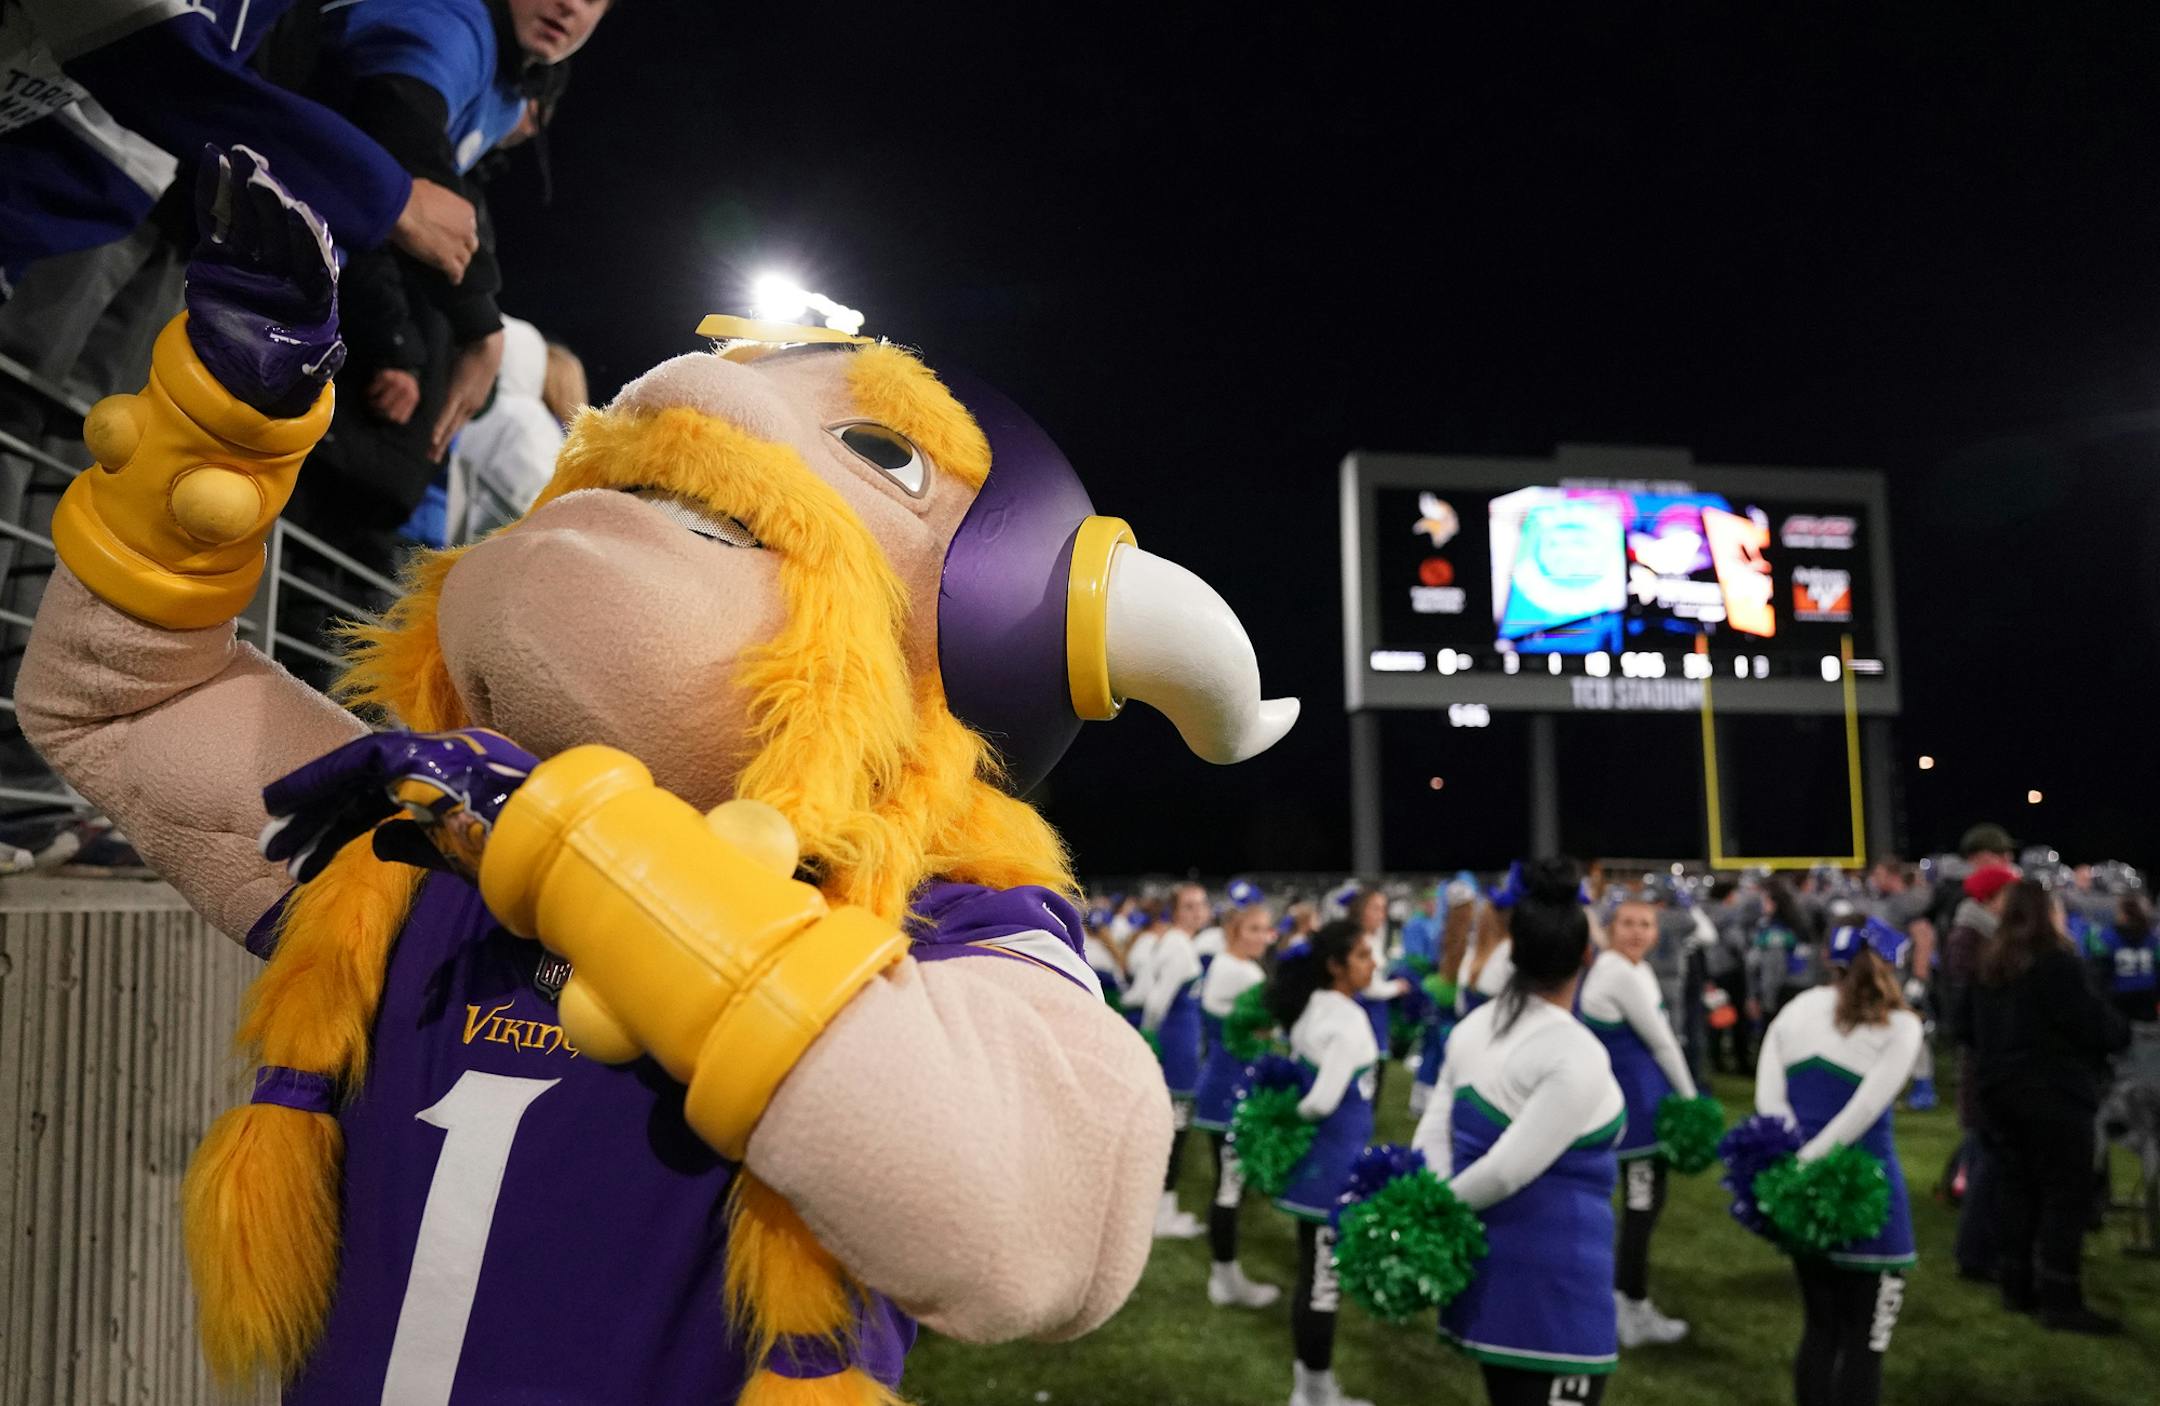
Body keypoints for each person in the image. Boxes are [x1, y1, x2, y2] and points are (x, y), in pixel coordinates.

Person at [1415, 859, 1625, 1404]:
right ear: (1586, 955)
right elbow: (1506, 1171)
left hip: (1485, 1281)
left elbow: (1433, 1131)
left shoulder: (1473, 1029)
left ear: (1514, 950)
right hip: (1558, 1292)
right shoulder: (1576, 1052)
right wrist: (1433, 1213)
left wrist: (1430, 1201)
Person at [1754, 916, 1922, 1406]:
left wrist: (1797, 1165)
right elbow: (1866, 1109)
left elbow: (1769, 1099)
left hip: (1803, 1199)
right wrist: (1814, 1162)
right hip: (1871, 1197)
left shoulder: (1797, 1008)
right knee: (1865, 1347)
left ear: (1831, 959)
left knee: (1820, 1331)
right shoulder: (1902, 1024)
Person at [1963, 879, 2132, 1332]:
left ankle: (2016, 1289)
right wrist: (2121, 1032)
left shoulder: (1989, 965)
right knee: (2064, 1196)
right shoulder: (2056, 964)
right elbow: (2093, 1025)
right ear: (2047, 913)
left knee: (2017, 1189)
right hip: (2053, 1095)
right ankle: (2060, 1300)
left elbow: (1964, 1027)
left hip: (1999, 1093)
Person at [1265, 919, 1379, 1406]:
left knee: (1312, 1275)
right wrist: (1290, 1118)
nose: (1372, 964)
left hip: (1316, 1164)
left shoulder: (1314, 1005)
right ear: (1336, 967)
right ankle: (1313, 1393)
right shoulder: (1347, 1021)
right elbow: (1320, 1101)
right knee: (1322, 1285)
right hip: (1330, 1167)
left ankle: (1311, 1387)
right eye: (1362, 956)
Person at [1579, 892, 1699, 1347]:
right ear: (1610, 928)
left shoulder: (1633, 969)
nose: (1636, 932)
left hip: (1639, 1103)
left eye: (1645, 924)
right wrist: (1690, 1100)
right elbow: (1664, 1043)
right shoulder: (1617, 973)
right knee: (1640, 1210)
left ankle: (1625, 1300)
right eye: (1627, 923)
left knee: (1641, 1208)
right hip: (1635, 1114)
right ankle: (1628, 1307)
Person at [1192, 901, 1282, 1309]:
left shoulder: (1224, 965)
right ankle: (1224, 1278)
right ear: (1233, 932)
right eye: (1254, 929)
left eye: (1266, 929)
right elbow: (1272, 1024)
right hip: (1232, 1092)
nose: (1264, 937)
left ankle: (1223, 1273)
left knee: (1229, 1185)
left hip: (1218, 1088)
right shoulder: (1242, 972)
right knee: (1230, 1188)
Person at [1940, 860, 2017, 1280]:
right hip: (1983, 1056)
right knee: (1986, 1154)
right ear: (1991, 897)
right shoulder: (1971, 937)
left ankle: (1979, 1240)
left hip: (1985, 1053)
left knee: (1984, 1151)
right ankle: (1975, 1251)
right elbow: (1969, 1003)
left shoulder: (1978, 932)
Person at [1136, 881, 1209, 1238]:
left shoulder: (1178, 942)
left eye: (1201, 905)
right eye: (1189, 906)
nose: (1198, 912)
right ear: (1175, 911)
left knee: (1173, 1129)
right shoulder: (1179, 948)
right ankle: (1162, 1214)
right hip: (1177, 1047)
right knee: (1175, 1131)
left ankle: (1161, 1207)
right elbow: (1155, 1002)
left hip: (1182, 1042)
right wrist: (1152, 1041)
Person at [1867, 855, 1940, 1111]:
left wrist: (1919, 978)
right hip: (1884, 978)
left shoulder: (1910, 901)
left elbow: (1923, 938)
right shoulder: (1887, 902)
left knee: (1914, 1032)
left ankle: (1924, 1086)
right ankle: (1894, 1085)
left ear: (1892, 875)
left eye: (1879, 874)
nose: (1874, 880)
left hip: (1904, 978)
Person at [2085, 891, 2158, 1025]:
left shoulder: (2105, 937)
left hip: (2118, 1002)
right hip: (2148, 1000)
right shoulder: (2153, 938)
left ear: (2123, 914)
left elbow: (2099, 975)